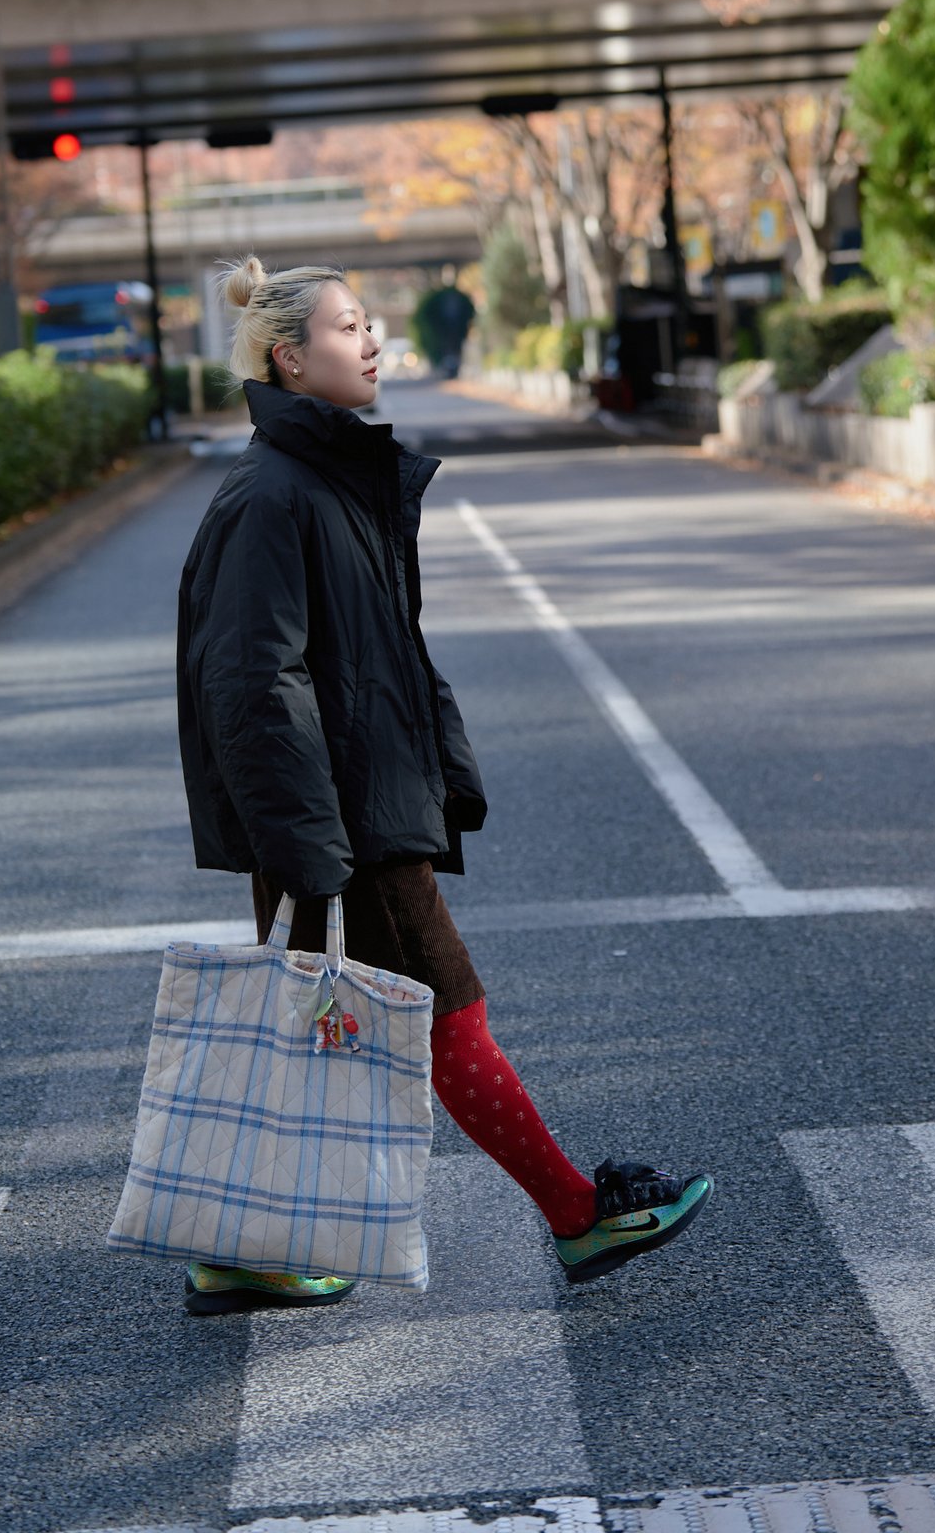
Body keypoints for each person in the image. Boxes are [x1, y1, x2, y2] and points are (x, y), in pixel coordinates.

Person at [174, 253, 713, 1315]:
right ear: (291, 356)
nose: (369, 341)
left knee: (329, 1026)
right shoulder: (274, 494)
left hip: (350, 806)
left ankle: (242, 1242)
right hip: (340, 824)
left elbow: (374, 660)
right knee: (443, 1016)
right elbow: (250, 682)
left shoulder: (323, 480)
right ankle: (576, 1214)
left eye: (368, 323)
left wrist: (435, 762)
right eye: (346, 327)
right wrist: (310, 845)